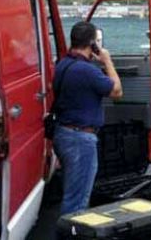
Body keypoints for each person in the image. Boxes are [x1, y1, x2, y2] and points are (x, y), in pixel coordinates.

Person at [52, 21, 123, 215]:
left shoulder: (63, 65)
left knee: (71, 192)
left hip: (63, 133)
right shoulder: (87, 71)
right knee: (77, 202)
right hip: (80, 140)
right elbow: (117, 91)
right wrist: (107, 61)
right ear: (92, 44)